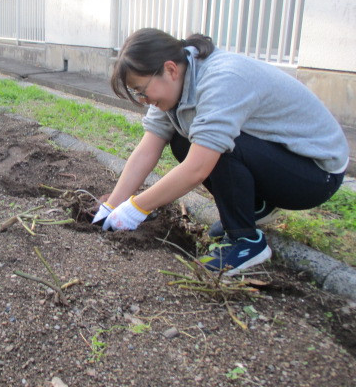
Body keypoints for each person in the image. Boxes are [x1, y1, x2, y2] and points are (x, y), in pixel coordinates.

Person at [93, 28, 348, 275]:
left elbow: (198, 168)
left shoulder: (222, 79)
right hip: (281, 158)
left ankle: (247, 243)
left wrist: (137, 208)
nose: (143, 100)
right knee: (184, 141)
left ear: (170, 69)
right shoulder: (177, 84)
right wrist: (114, 204)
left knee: (217, 147)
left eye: (142, 90)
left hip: (315, 172)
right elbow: (149, 146)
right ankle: (255, 206)